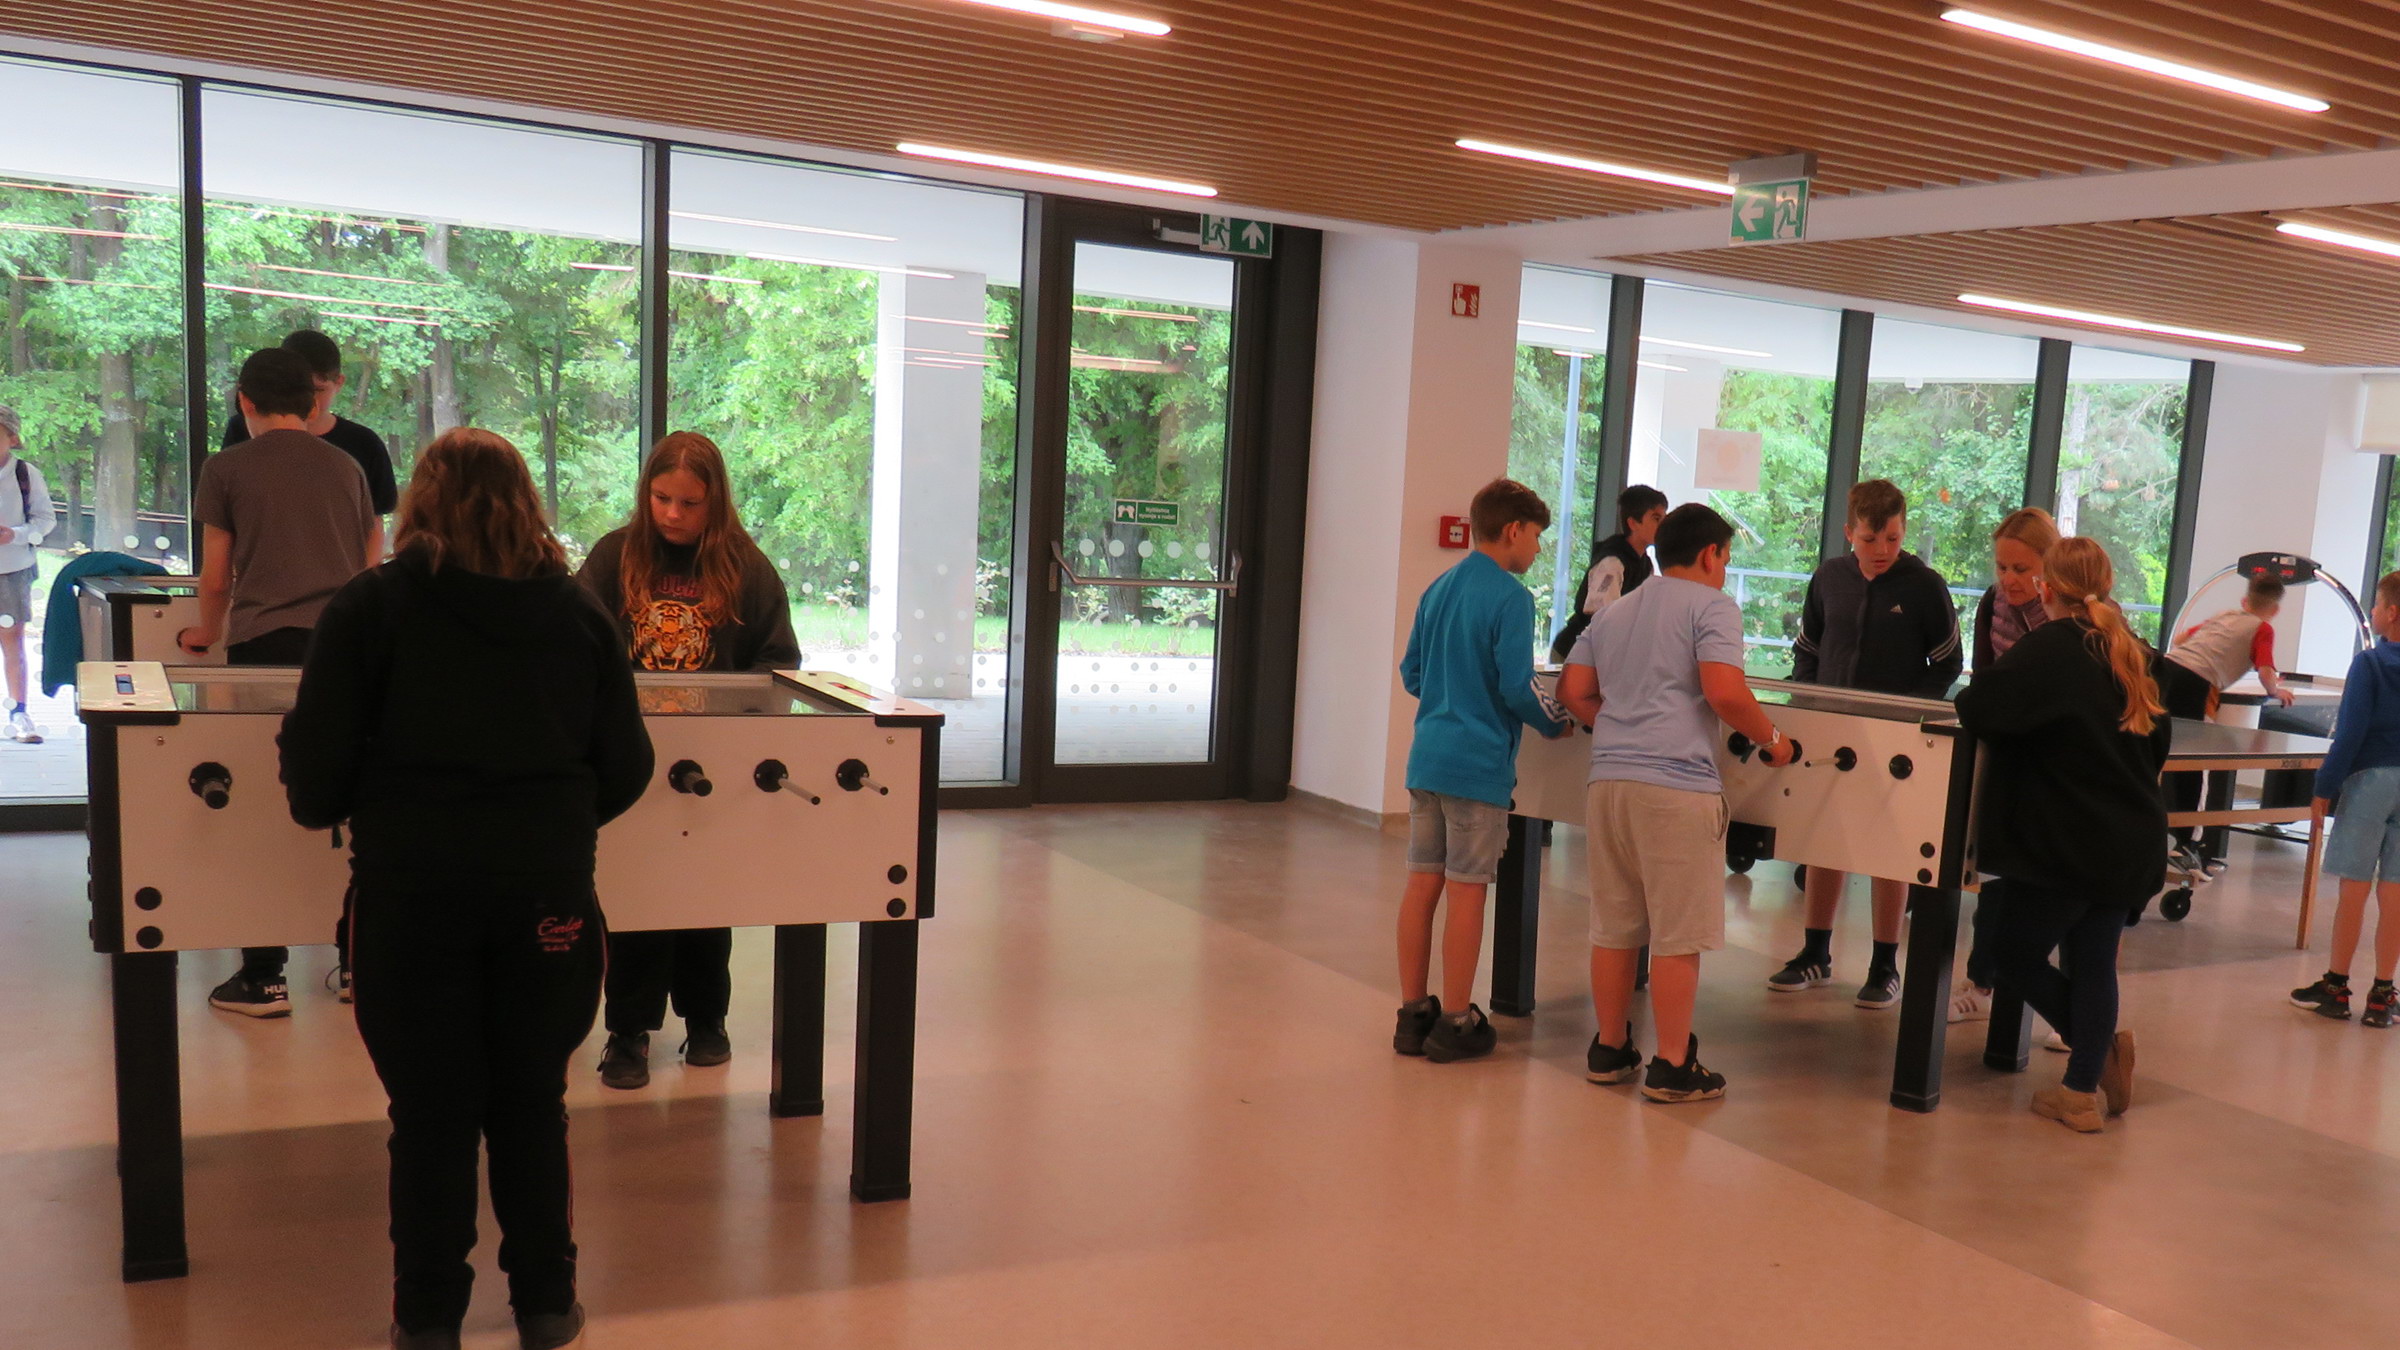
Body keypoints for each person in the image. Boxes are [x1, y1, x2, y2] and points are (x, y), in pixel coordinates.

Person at [281, 426, 651, 1349]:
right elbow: (629, 766)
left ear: (421, 501)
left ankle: (428, 1316)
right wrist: (552, 828)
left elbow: (314, 788)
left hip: (410, 899)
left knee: (430, 1116)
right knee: (532, 1103)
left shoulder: (370, 608)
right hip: (549, 897)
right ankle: (547, 1305)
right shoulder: (580, 615)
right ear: (527, 503)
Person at [578, 432, 799, 1089]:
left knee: (706, 896)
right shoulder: (614, 557)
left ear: (715, 502)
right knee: (638, 898)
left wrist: (744, 727)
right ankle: (628, 1030)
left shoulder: (745, 567)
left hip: (714, 763)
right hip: (633, 761)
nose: (673, 514)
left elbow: (778, 662)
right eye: (661, 498)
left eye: (690, 503)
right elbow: (576, 645)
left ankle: (707, 1020)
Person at [1557, 503, 1793, 1102]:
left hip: (1608, 784)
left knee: (1615, 926)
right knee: (1677, 935)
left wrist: (1622, 728)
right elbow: (1724, 691)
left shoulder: (1616, 611)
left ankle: (1610, 1049)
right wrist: (1773, 741)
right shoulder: (1714, 607)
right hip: (1677, 788)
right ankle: (1671, 1065)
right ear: (1712, 554)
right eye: (1726, 558)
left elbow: (1573, 690)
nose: (1724, 569)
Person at [181, 347, 378, 1018]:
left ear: (245, 401)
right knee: (352, 803)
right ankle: (356, 965)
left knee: (260, 804)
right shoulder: (347, 466)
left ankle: (263, 977)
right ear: (314, 399)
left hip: (263, 651)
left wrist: (206, 633)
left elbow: (216, 576)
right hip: (342, 651)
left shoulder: (227, 467)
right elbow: (369, 557)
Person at [1954, 536, 2164, 1133]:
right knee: (2094, 962)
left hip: (2067, 840)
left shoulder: (2048, 647)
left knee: (2010, 953)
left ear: (2047, 587)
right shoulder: (2133, 653)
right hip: (2130, 838)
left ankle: (2097, 1058)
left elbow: (1978, 707)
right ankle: (2078, 1092)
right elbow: (2157, 748)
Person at [1393, 477, 1572, 1063]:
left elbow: (1413, 674)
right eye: (1537, 536)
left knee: (1423, 884)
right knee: (1468, 890)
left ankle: (1413, 1015)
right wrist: (1556, 721)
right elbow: (1518, 686)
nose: (1538, 549)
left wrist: (1451, 694)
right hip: (1478, 767)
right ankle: (1457, 1021)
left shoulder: (1439, 587)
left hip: (1427, 758)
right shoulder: (1511, 598)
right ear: (1513, 530)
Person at [1773, 479, 1962, 1008]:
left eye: (1893, 539)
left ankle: (1884, 965)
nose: (1882, 550)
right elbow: (1808, 648)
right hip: (1830, 733)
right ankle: (1815, 953)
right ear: (1849, 532)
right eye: (1870, 539)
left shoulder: (1925, 586)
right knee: (1823, 840)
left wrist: (1908, 711)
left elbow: (1948, 660)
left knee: (1888, 849)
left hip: (1894, 741)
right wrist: (1806, 704)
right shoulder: (1828, 578)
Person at [1951, 507, 2062, 1025]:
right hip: (2007, 758)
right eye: (2001, 567)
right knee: (1993, 878)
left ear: (2049, 566)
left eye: (2021, 569)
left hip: (2060, 770)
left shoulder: (2075, 612)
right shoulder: (1991, 603)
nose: (2009, 580)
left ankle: (2068, 1010)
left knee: (2058, 896)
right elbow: (1986, 680)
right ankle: (1980, 982)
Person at [2290, 571, 2400, 1027]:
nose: (2371, 612)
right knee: (2395, 893)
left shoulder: (2370, 663)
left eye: (2375, 605)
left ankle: (2336, 987)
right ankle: (2383, 996)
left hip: (2370, 781)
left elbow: (2350, 732)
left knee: (2354, 889)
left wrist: (2324, 786)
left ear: (2391, 613)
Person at [2157, 573, 2297, 880]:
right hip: (2196, 684)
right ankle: (2187, 845)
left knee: (2161, 752)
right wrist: (2276, 691)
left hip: (2165, 671)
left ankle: (2154, 828)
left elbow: (2181, 640)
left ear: (2245, 600)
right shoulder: (2263, 628)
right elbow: (2265, 671)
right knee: (2197, 763)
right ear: (2275, 609)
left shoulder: (2225, 616)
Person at [223, 329, 399, 563]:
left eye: (317, 390)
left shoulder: (364, 444)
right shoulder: (242, 429)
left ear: (339, 383)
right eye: (298, 390)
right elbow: (227, 516)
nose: (308, 400)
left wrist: (366, 579)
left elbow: (374, 525)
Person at [1548, 484, 1668, 664]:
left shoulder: (1645, 564)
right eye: (1656, 518)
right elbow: (1600, 615)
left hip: (1604, 654)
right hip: (1575, 652)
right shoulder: (1612, 562)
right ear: (1633, 523)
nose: (1663, 526)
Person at [0, 404, 58, 744]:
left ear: (12, 438)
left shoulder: (26, 474)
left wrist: (15, 535)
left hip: (13, 570)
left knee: (13, 642)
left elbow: (45, 520)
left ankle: (19, 712)